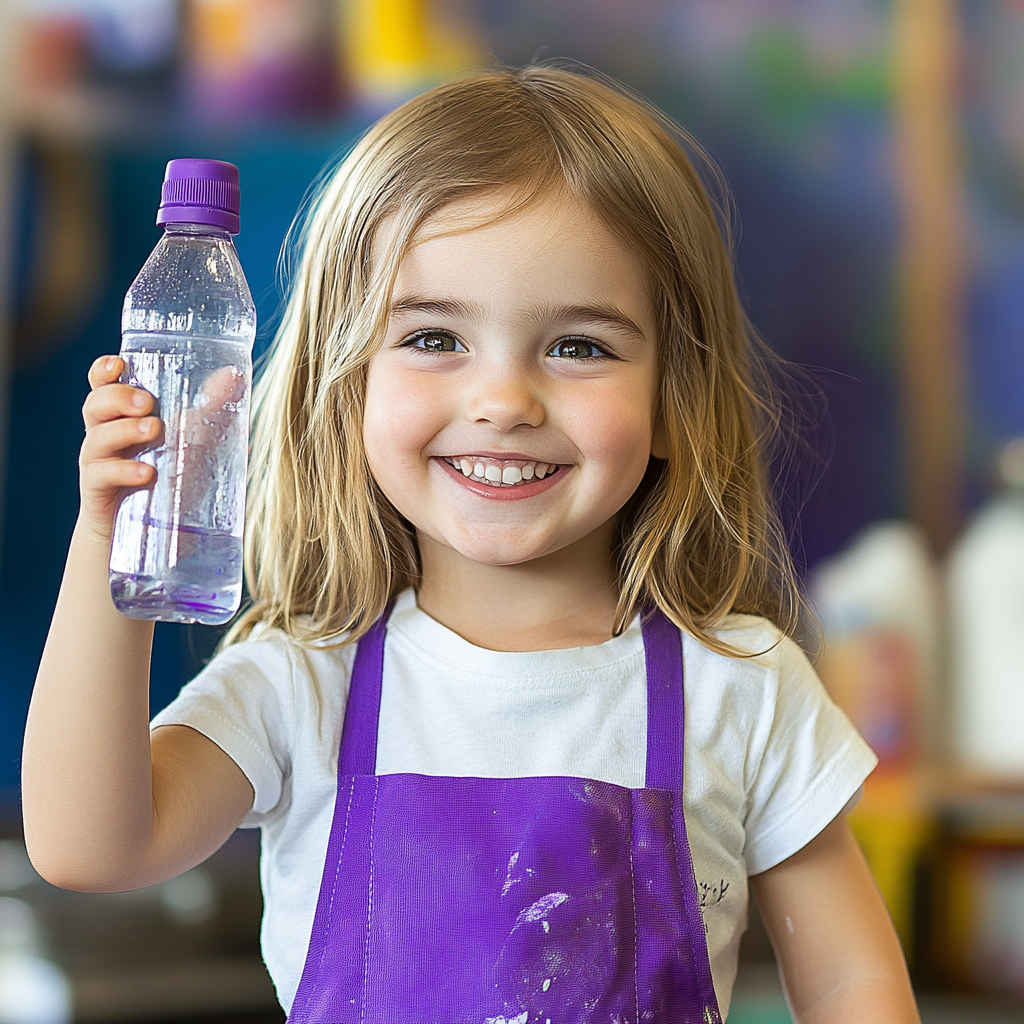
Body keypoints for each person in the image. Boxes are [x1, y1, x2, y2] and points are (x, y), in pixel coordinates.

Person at [23, 66, 919, 1023]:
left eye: (579, 346)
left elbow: (852, 984)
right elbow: (89, 845)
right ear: (347, 380)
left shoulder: (743, 687)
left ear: (674, 400)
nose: (503, 400)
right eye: (435, 338)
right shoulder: (300, 686)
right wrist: (105, 544)